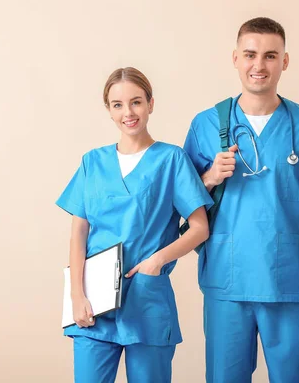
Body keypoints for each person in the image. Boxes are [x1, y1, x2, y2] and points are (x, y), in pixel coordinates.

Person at [183, 17, 299, 383]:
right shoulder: (206, 125)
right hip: (227, 278)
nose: (259, 65)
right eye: (250, 55)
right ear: (235, 58)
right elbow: (181, 206)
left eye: (270, 56)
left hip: (292, 283)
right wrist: (208, 177)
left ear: (285, 61)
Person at [56, 67, 213, 383]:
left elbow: (200, 228)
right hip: (94, 298)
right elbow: (78, 233)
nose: (128, 112)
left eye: (136, 102)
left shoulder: (171, 160)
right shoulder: (93, 162)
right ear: (109, 110)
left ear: (151, 104)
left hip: (146, 295)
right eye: (117, 104)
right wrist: (76, 295)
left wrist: (156, 261)